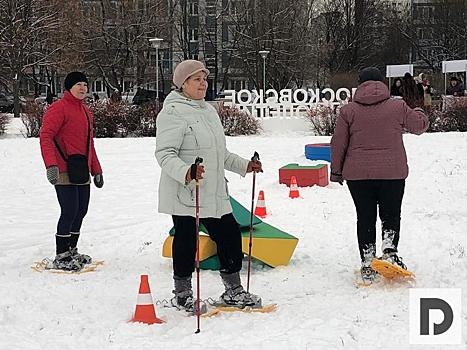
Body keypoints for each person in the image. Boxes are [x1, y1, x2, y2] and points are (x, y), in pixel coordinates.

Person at [155, 60, 263, 313]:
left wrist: (245, 165)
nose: (203, 83)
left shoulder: (208, 111)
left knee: (229, 234)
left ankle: (233, 290)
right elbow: (165, 154)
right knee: (185, 241)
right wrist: (187, 171)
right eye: (196, 79)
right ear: (183, 84)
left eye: (204, 79)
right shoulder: (172, 112)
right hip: (186, 191)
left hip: (213, 190)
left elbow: (220, 153)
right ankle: (182, 294)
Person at [330, 67, 429, 283]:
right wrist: (419, 111)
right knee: (391, 213)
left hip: (358, 175)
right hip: (392, 173)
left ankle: (367, 262)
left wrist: (336, 172)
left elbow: (338, 143)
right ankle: (390, 251)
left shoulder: (348, 111)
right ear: (382, 83)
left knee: (365, 216)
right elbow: (419, 127)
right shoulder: (397, 106)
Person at [39, 71, 104, 271]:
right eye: (78, 84)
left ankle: (72, 249)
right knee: (69, 211)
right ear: (68, 88)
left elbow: (89, 144)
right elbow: (46, 137)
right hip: (63, 169)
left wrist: (96, 170)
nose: (83, 88)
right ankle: (62, 254)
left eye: (85, 84)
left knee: (81, 210)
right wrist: (51, 165)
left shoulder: (85, 111)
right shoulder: (58, 109)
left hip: (81, 169)